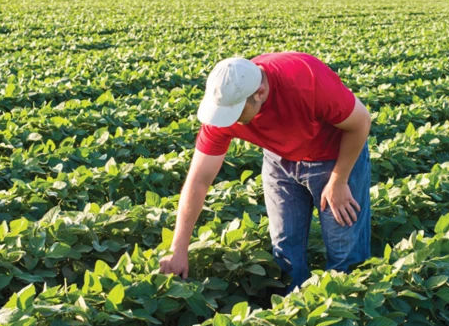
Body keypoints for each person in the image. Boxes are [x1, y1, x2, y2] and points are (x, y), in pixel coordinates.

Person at [158, 51, 372, 293]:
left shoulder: (305, 80)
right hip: (279, 160)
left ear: (259, 93)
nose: (228, 122)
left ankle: (347, 314)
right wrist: (179, 247)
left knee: (345, 250)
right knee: (285, 248)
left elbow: (361, 122)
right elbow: (198, 181)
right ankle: (295, 314)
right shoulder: (224, 107)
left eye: (236, 113)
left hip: (334, 155)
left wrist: (339, 180)